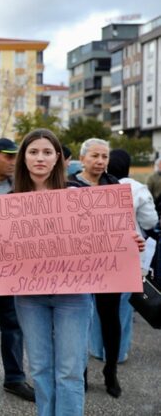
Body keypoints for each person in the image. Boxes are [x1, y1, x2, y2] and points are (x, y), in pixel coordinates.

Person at [0, 129, 91, 415]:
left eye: (47, 152)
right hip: (29, 296)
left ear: (58, 159)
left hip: (73, 296)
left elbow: (100, 238)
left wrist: (127, 242)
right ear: (24, 158)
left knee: (70, 372)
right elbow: (1, 246)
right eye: (33, 152)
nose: (40, 158)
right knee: (40, 369)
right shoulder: (9, 203)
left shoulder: (77, 195)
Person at [67, 138, 123, 398]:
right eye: (95, 156)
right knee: (81, 320)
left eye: (104, 157)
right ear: (83, 158)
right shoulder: (68, 185)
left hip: (108, 264)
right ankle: (82, 372)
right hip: (78, 265)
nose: (100, 161)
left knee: (110, 318)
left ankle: (110, 371)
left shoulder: (113, 185)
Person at [90, 149, 157, 364]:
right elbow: (149, 222)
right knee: (122, 308)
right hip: (128, 256)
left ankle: (96, 349)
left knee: (96, 305)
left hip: (98, 256)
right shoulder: (137, 189)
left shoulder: (96, 187)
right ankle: (117, 354)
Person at [0, 138, 35, 402]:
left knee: (12, 323)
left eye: (16, 156)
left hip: (10, 269)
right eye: (8, 156)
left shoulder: (21, 187)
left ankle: (15, 378)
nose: (13, 161)